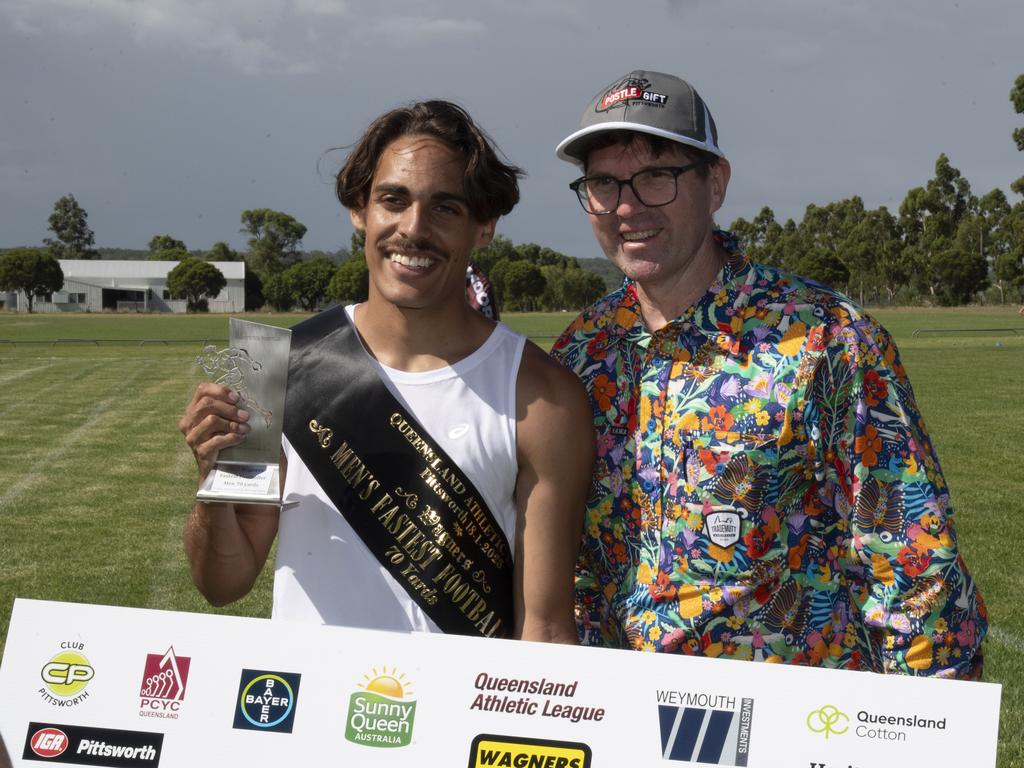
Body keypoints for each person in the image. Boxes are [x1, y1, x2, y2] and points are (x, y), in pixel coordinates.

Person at [550, 70, 987, 677]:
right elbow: (567, 563)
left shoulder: (825, 341)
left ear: (716, 182)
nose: (627, 206)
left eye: (657, 176)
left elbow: (912, 562)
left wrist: (929, 728)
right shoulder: (582, 353)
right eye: (604, 182)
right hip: (625, 722)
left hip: (793, 730)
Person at [180, 100, 593, 643]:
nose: (413, 229)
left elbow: (544, 626)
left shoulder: (541, 396)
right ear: (360, 209)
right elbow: (223, 582)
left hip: (459, 717)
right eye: (392, 200)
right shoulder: (271, 370)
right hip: (307, 711)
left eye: (445, 208)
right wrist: (213, 479)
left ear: (484, 226)